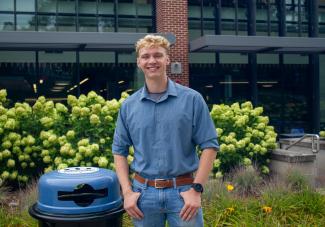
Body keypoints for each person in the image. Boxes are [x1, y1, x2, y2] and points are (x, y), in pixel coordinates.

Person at [112, 34, 219, 227]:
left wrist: (197, 189)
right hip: (143, 196)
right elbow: (119, 151)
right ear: (138, 62)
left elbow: (210, 146)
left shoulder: (192, 99)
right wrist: (127, 193)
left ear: (167, 59)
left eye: (157, 55)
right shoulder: (128, 106)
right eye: (145, 56)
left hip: (184, 193)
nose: (151, 61)